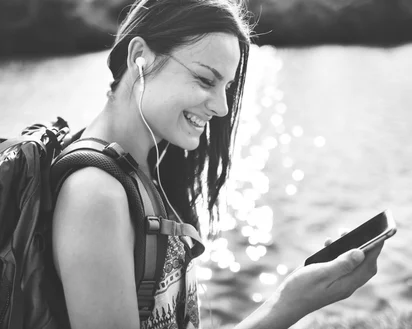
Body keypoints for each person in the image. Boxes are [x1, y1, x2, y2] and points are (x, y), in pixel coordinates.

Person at [50, 0, 383, 328]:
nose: (223, 107)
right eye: (206, 80)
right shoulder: (95, 194)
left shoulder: (143, 167)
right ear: (140, 56)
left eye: (227, 86)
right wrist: (290, 303)